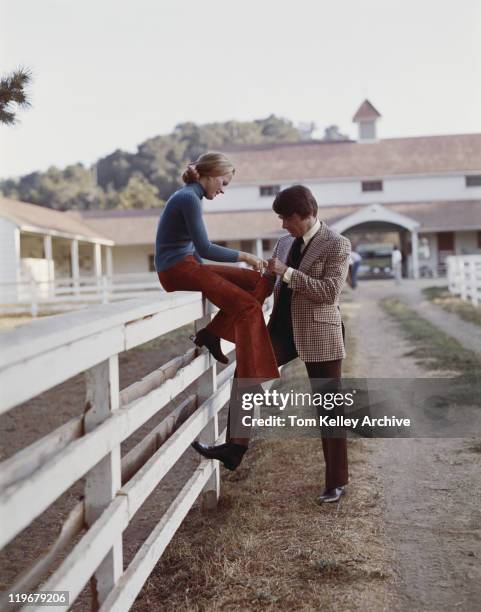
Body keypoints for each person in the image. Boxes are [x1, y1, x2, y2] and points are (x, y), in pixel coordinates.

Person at [193, 185, 351, 503]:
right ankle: (235, 448)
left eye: (286, 218)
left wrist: (288, 274)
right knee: (247, 374)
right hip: (280, 330)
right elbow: (264, 287)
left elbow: (330, 292)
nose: (282, 225)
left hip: (320, 332)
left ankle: (336, 482)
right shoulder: (282, 243)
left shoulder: (337, 244)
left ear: (305, 215)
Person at [155, 152, 280, 457]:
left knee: (259, 281)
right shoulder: (188, 198)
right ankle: (255, 387)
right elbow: (205, 248)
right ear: (208, 176)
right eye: (223, 182)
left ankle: (212, 333)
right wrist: (246, 257)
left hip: (188, 264)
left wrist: (216, 277)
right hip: (176, 269)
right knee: (248, 309)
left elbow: (196, 254)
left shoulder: (190, 197)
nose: (222, 189)